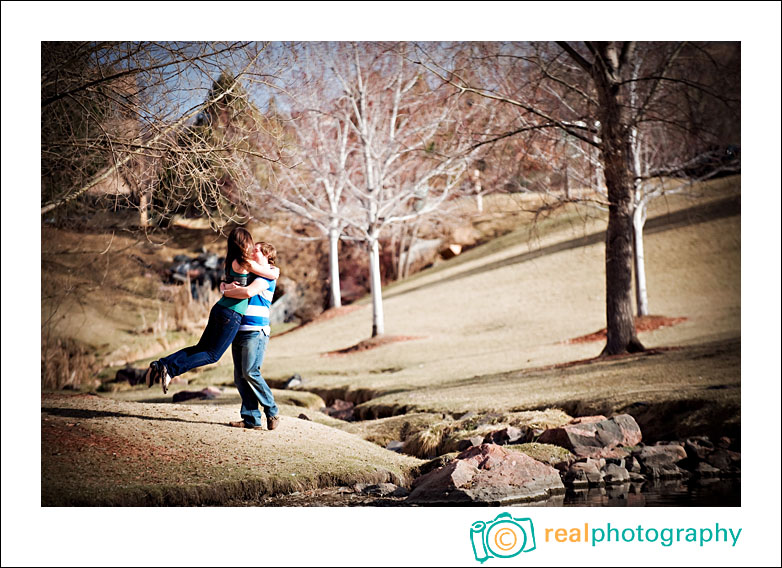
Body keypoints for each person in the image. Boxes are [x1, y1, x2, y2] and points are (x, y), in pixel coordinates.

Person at [144, 227, 279, 393]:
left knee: (200, 348)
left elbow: (231, 282)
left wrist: (226, 288)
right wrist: (274, 270)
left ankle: (162, 364)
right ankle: (170, 369)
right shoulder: (246, 262)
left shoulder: (230, 260)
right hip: (232, 313)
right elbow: (271, 275)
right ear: (245, 243)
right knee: (212, 355)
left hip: (220, 309)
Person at [221, 242, 281, 431]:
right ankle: (251, 419)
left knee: (250, 371)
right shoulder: (252, 275)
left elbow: (246, 292)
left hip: (255, 331)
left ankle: (272, 411)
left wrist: (226, 291)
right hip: (239, 329)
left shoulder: (267, 275)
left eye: (256, 250)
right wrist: (228, 286)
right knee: (240, 377)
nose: (251, 252)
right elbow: (235, 285)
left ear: (266, 255)